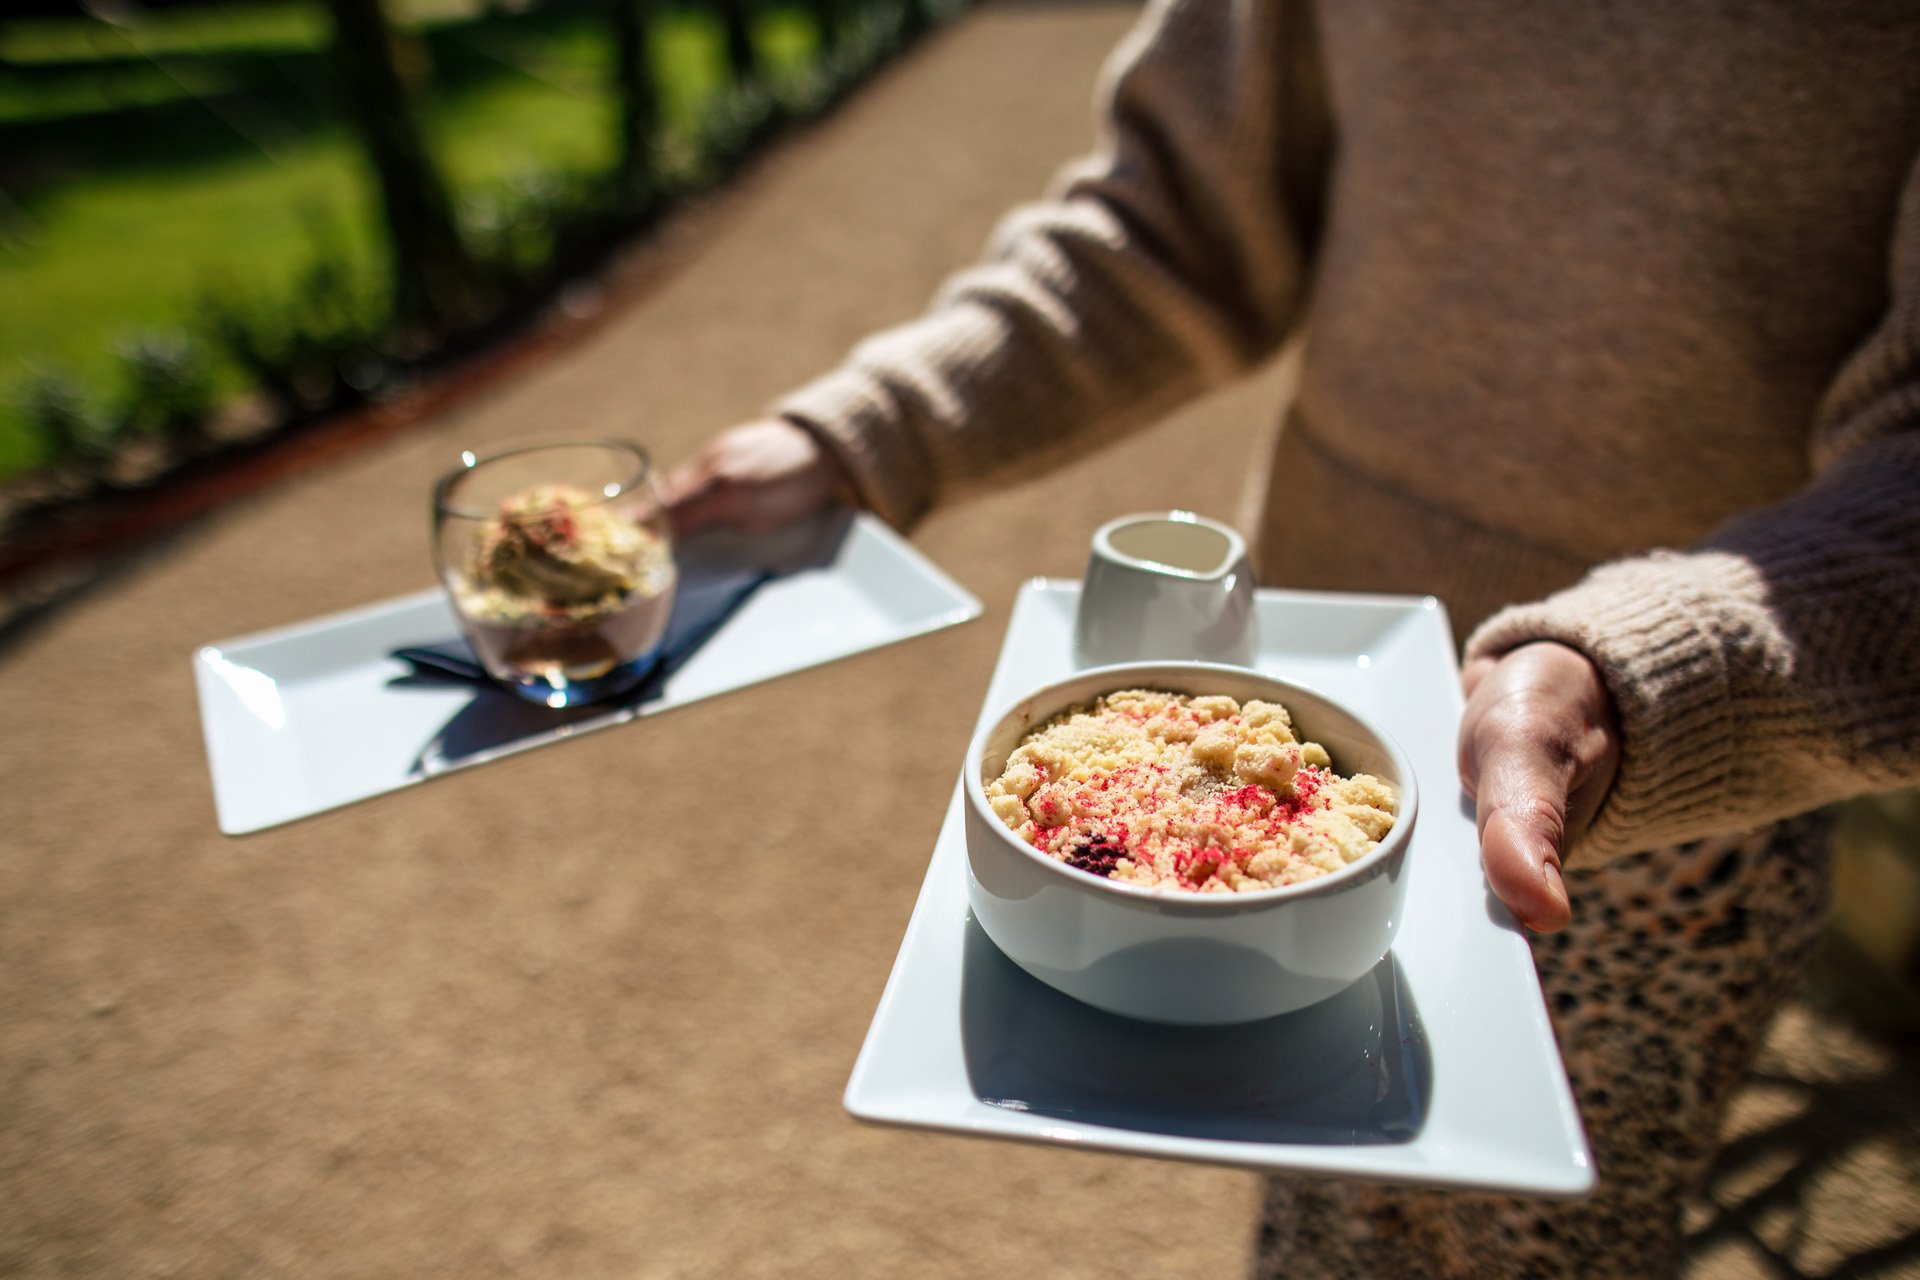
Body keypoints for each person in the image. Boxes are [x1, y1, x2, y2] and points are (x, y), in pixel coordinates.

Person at [664, 0, 1920, 1274]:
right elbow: (1174, 224)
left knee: (1548, 1248)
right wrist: (864, 428)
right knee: (1326, 1233)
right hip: (1314, 721)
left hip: (1678, 780)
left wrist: (1634, 677)